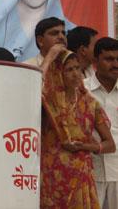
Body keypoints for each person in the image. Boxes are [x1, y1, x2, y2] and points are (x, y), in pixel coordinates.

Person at [40, 50, 115, 208]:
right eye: (69, 70)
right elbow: (32, 84)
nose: (76, 74)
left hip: (81, 175)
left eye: (77, 68)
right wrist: (48, 59)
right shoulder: (48, 102)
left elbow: (110, 145)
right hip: (52, 176)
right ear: (57, 73)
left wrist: (84, 147)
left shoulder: (90, 103)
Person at [84, 37, 118, 209]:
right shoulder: (82, 91)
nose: (115, 64)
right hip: (90, 174)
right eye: (109, 59)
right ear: (95, 61)